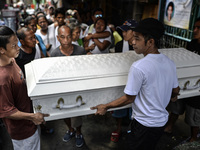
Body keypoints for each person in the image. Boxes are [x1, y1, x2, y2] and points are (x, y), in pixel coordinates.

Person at [91, 18, 180, 150]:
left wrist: (106, 106)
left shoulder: (139, 67)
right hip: (161, 122)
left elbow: (129, 98)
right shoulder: (169, 63)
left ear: (150, 42)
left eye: (137, 38)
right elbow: (176, 90)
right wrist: (170, 95)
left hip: (144, 124)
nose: (133, 42)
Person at [0, 26, 49, 150]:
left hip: (30, 121)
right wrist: (33, 117)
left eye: (17, 43)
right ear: (1, 50)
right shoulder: (3, 78)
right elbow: (7, 111)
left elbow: (21, 81)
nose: (18, 48)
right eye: (13, 46)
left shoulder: (12, 59)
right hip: (22, 131)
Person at [50, 25, 86, 148]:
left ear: (73, 36)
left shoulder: (80, 51)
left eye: (68, 36)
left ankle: (78, 132)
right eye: (62, 37)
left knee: (77, 112)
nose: (66, 40)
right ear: (58, 38)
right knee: (64, 112)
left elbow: (85, 71)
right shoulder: (54, 54)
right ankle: (70, 129)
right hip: (62, 89)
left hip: (77, 88)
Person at [109, 19, 138, 142]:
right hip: (123, 80)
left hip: (137, 82)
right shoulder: (120, 45)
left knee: (135, 108)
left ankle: (133, 130)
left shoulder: (142, 46)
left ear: (134, 32)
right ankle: (119, 128)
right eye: (122, 31)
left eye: (126, 31)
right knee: (120, 106)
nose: (123, 33)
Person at [183, 17, 200, 142]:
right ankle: (170, 126)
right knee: (177, 106)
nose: (194, 30)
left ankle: (194, 138)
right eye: (194, 27)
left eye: (198, 28)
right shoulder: (191, 44)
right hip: (187, 82)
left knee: (194, 113)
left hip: (197, 87)